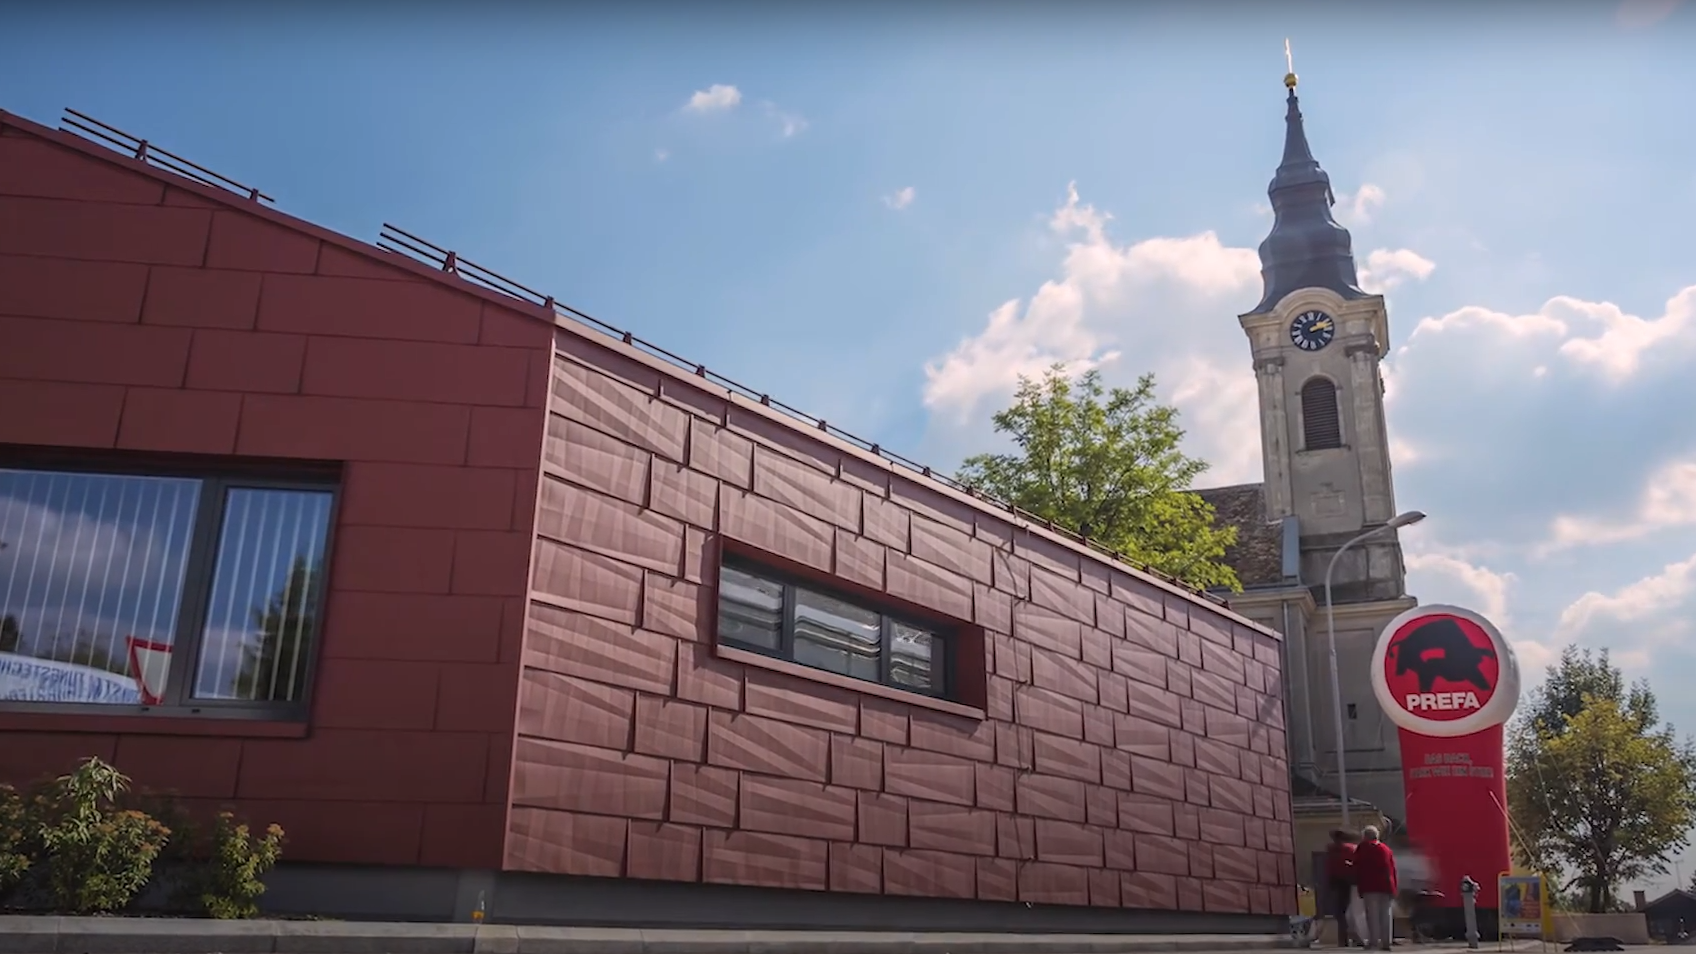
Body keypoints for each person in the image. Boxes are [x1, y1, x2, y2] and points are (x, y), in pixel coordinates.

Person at [1352, 825, 1399, 951]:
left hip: (1370, 885)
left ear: (1365, 836)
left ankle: (1373, 942)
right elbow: (1393, 869)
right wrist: (1394, 888)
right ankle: (1386, 942)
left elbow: (1357, 865)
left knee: (1372, 915)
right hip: (1387, 886)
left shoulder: (1363, 847)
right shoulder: (1386, 849)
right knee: (1386, 915)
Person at [1323, 829, 1358, 947]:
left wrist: (1329, 881)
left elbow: (1329, 867)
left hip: (1337, 882)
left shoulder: (1331, 850)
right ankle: (1351, 936)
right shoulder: (1351, 849)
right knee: (1350, 910)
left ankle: (1343, 938)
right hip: (1350, 882)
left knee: (1339, 911)